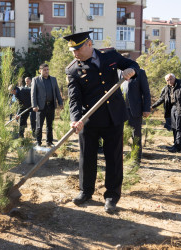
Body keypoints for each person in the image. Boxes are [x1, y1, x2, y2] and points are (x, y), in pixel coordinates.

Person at [65, 31, 140, 213]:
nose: (75, 53)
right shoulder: (73, 69)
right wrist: (75, 119)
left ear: (89, 44)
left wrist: (131, 70)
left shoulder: (110, 56)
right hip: (88, 120)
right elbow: (74, 99)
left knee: (114, 158)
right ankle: (86, 191)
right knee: (87, 157)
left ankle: (111, 196)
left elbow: (131, 64)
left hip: (114, 116)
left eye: (78, 49)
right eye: (72, 50)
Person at [120, 53, 151, 165]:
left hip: (135, 110)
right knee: (120, 136)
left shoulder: (140, 73)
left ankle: (136, 159)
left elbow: (146, 93)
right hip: (122, 111)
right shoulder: (120, 74)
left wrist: (146, 108)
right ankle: (121, 158)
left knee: (136, 136)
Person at [151, 73, 181, 152]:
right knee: (174, 127)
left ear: (174, 78)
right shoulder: (167, 88)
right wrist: (153, 106)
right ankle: (175, 145)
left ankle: (177, 147)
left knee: (180, 128)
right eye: (167, 80)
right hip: (173, 108)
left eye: (171, 79)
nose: (169, 81)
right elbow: (162, 99)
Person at [31, 64, 63, 147]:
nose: (46, 71)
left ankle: (49, 142)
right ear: (40, 71)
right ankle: (38, 142)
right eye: (44, 70)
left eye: (47, 69)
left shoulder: (53, 79)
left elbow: (57, 92)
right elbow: (33, 94)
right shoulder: (36, 80)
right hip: (40, 107)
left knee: (50, 125)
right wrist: (34, 105)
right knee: (39, 126)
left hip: (51, 106)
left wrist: (60, 103)